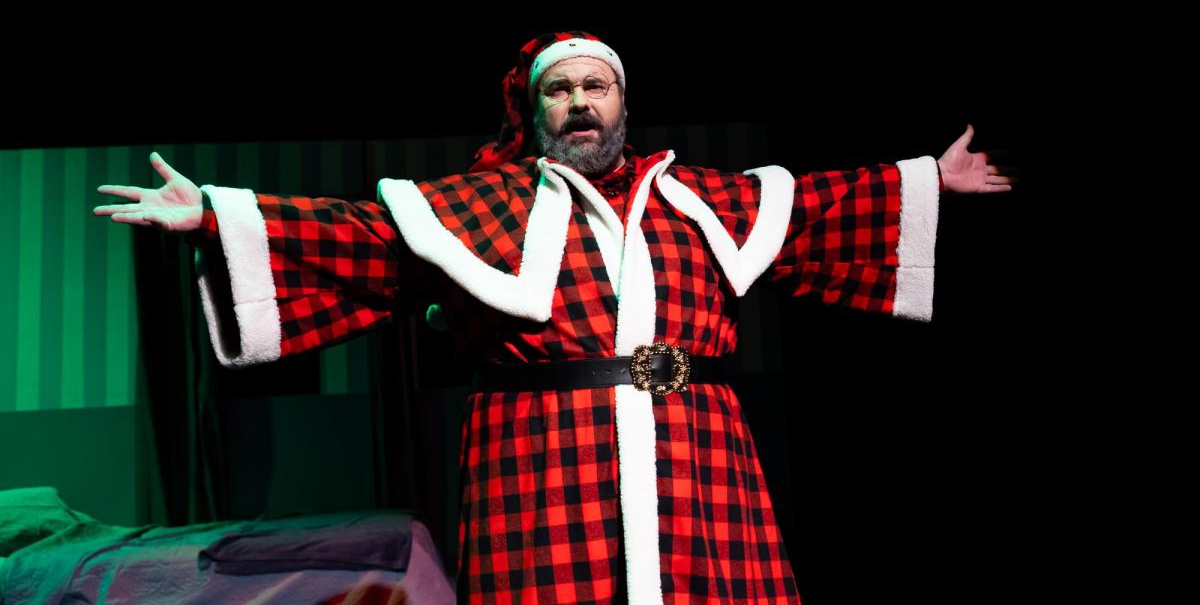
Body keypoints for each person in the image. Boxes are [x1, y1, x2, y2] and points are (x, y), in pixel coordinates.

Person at [93, 30, 1018, 605]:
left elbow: (819, 205)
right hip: (543, 453)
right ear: (534, 107)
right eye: (559, 88)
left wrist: (932, 177)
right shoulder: (480, 205)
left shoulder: (700, 197)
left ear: (623, 100)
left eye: (596, 85)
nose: (580, 101)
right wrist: (214, 211)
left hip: (702, 457)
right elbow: (362, 237)